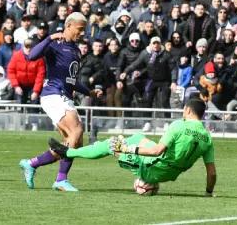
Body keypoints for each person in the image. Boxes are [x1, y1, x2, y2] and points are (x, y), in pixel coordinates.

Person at [48, 98, 217, 196]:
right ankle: (118, 142)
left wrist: (128, 149)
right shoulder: (207, 137)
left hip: (152, 168)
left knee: (111, 144)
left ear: (187, 110)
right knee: (138, 137)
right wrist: (208, 193)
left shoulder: (179, 125)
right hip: (171, 172)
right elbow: (212, 173)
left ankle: (68, 152)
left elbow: (156, 151)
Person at [19, 12, 103, 192]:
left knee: (73, 142)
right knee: (77, 129)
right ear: (68, 26)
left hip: (65, 96)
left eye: (84, 29)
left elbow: (71, 80)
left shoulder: (76, 50)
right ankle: (61, 179)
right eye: (79, 29)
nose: (82, 33)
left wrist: (89, 92)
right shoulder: (55, 44)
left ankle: (32, 164)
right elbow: (32, 56)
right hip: (53, 94)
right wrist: (49, 38)